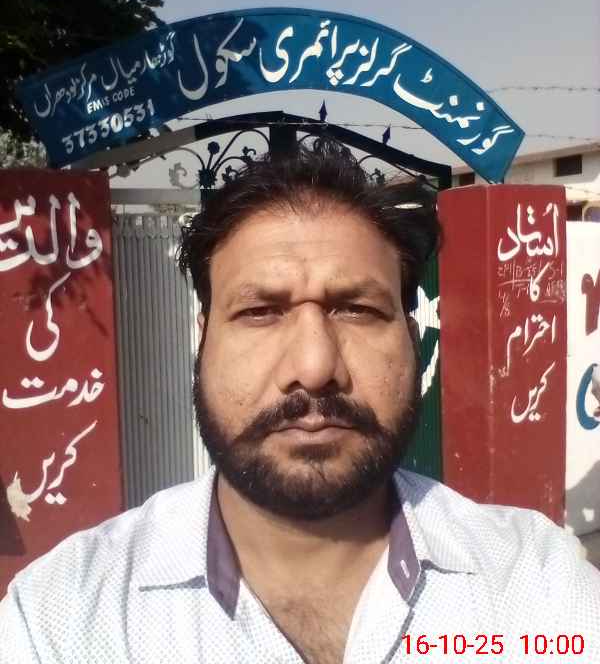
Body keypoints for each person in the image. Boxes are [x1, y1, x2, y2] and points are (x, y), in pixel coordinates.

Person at [1, 137, 599, 664]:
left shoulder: (534, 585)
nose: (314, 369)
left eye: (357, 309)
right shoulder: (65, 615)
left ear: (413, 340)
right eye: (260, 311)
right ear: (202, 340)